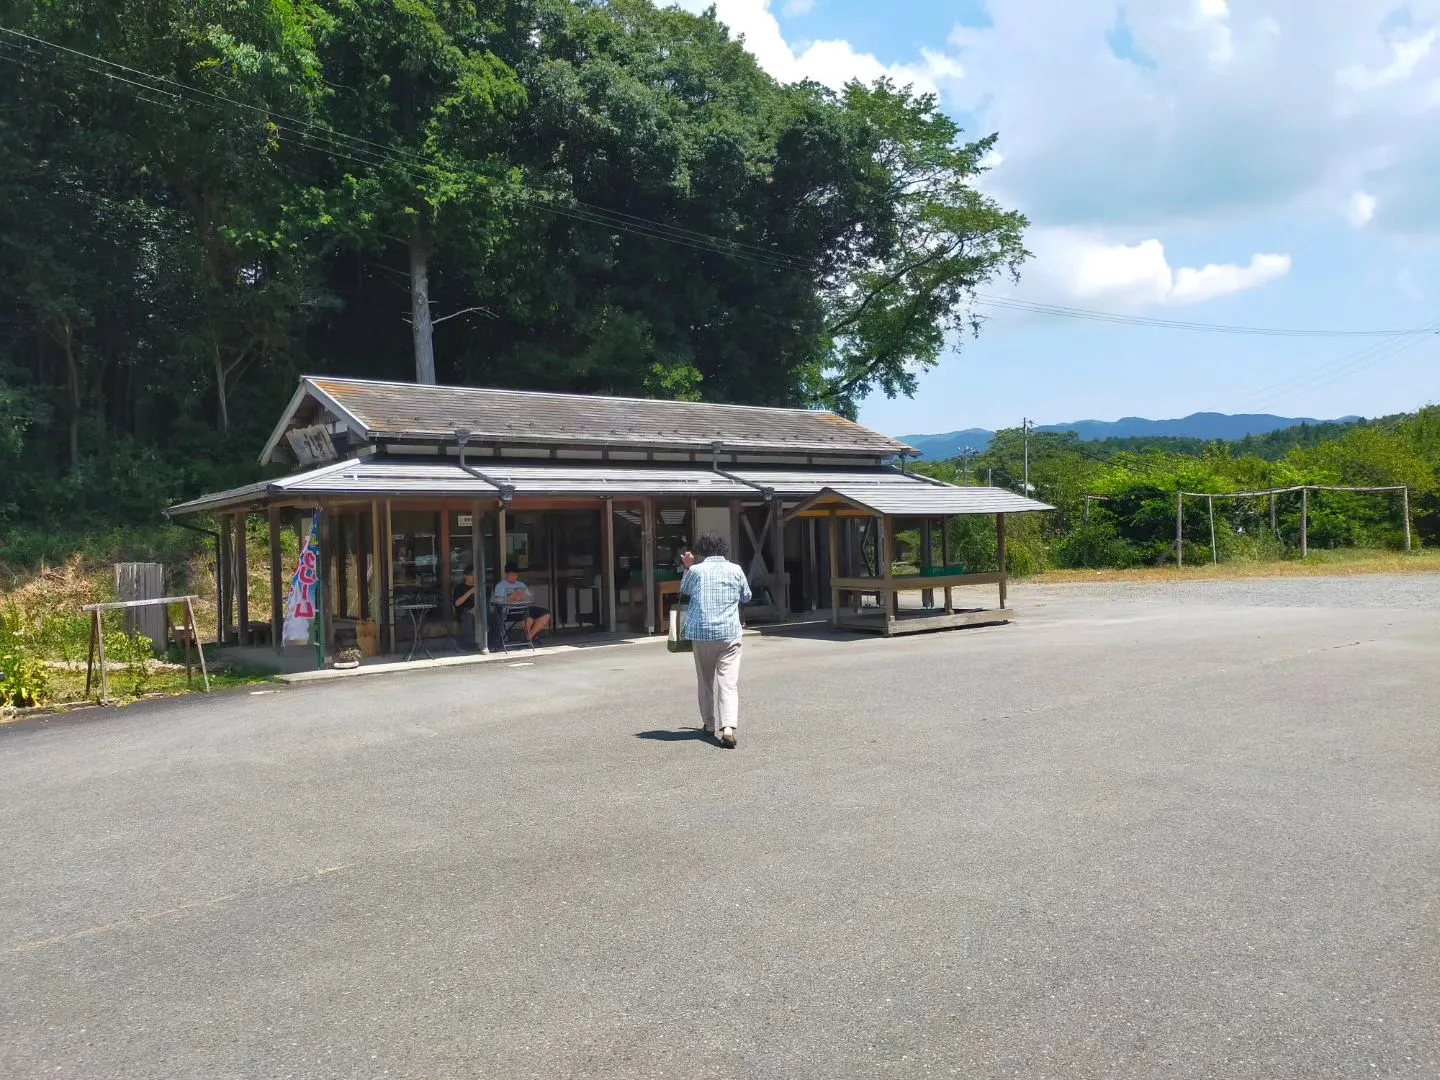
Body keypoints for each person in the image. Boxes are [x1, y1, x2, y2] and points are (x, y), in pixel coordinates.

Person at [679, 532, 751, 748]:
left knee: (705, 681)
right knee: (728, 683)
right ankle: (728, 727)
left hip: (702, 634)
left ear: (702, 550)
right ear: (723, 549)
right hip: (729, 634)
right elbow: (746, 596)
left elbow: (684, 590)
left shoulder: (697, 571)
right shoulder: (735, 569)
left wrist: (688, 566)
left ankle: (709, 724)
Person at [493, 562, 552, 641]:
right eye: (512, 575)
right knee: (529, 618)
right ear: (506, 574)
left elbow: (531, 599)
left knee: (545, 614)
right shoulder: (500, 586)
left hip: (525, 608)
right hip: (510, 611)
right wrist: (512, 597)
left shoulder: (521, 585)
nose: (515, 577)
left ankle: (529, 636)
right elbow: (499, 602)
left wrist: (522, 596)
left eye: (516, 575)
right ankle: (528, 638)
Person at [452, 563, 480, 649]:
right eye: (472, 575)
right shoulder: (460, 588)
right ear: (466, 576)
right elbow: (457, 603)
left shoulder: (480, 586)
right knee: (469, 616)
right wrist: (470, 592)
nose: (475, 577)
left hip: (479, 610)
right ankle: (468, 645)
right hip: (465, 611)